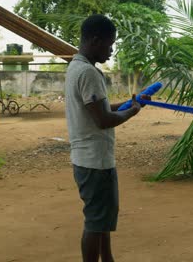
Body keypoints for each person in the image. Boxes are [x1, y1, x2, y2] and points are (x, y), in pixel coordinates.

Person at [65, 14, 149, 262]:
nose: (111, 51)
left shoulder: (76, 67)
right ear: (94, 40)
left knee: (101, 220)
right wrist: (131, 112)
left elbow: (99, 108)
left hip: (88, 160)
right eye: (109, 44)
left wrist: (129, 104)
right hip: (95, 162)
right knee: (96, 222)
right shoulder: (89, 73)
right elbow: (103, 120)